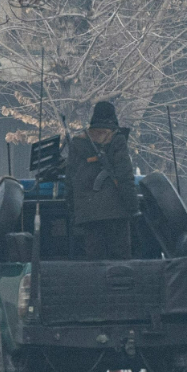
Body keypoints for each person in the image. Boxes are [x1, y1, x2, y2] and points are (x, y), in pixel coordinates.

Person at [67, 101, 138, 260]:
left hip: (88, 215)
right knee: (121, 263)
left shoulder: (77, 143)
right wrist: (133, 207)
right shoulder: (116, 140)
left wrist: (73, 211)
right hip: (116, 214)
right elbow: (124, 176)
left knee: (95, 264)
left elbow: (70, 181)